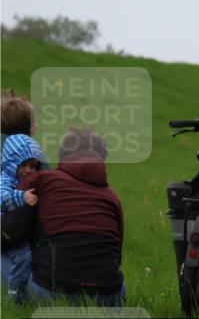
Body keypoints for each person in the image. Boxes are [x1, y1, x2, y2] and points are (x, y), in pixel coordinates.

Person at [15, 128, 127, 307]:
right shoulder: (112, 198)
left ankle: (16, 304)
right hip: (106, 296)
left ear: (62, 154)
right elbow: (117, 255)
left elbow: (10, 232)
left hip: (50, 291)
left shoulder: (41, 180)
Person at [1, 134, 46, 300]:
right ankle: (15, 294)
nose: (29, 170)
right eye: (24, 165)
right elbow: (2, 199)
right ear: (11, 163)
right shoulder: (6, 179)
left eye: (33, 166)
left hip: (17, 227)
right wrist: (22, 197)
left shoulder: (25, 179)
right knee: (23, 256)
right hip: (6, 229)